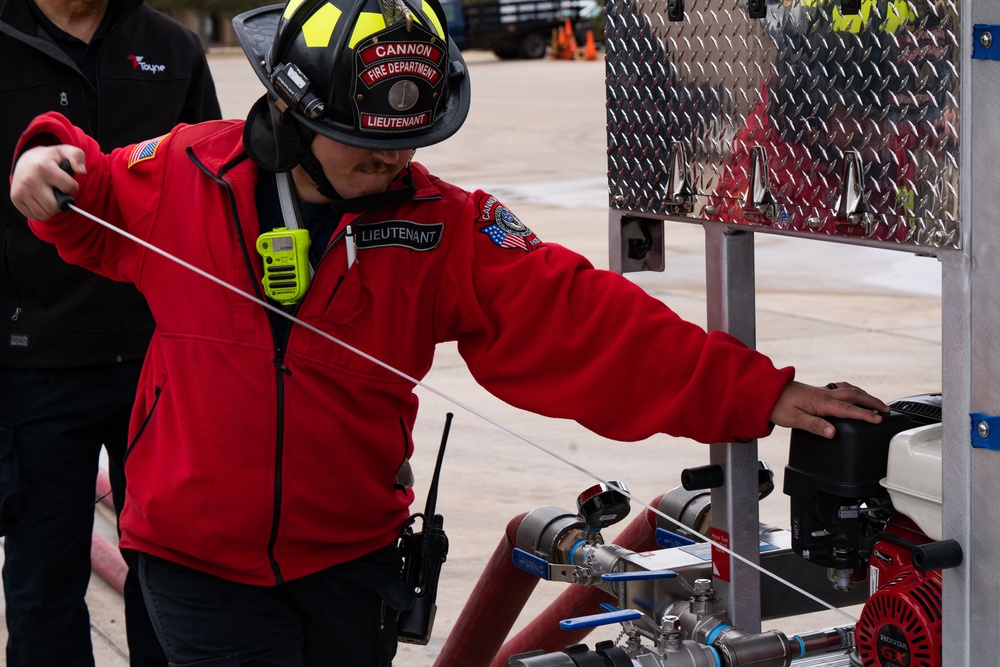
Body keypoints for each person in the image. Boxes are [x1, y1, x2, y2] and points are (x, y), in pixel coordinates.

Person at [9, 0, 889, 663]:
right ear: (296, 120)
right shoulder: (189, 172)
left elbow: (581, 317)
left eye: (410, 142)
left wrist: (756, 390)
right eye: (368, 145)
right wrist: (41, 157)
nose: (395, 162)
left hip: (351, 565)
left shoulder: (441, 224)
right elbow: (85, 198)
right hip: (195, 563)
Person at [0, 0, 221, 664]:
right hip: (33, 362)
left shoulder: (172, 48)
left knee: (172, 577)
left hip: (160, 361)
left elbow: (216, 187)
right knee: (43, 584)